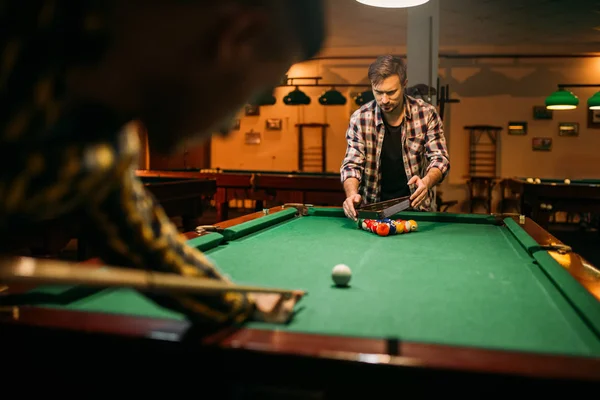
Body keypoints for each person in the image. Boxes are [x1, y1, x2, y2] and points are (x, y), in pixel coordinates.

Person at [0, 0, 326, 329]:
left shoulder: (104, 151)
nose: (230, 128)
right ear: (235, 37)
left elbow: (153, 253)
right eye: (253, 96)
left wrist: (238, 303)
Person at [340, 55, 450, 220]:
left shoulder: (426, 114)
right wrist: (352, 194)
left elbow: (440, 159)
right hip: (373, 212)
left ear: (404, 84)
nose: (384, 100)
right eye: (378, 92)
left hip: (417, 211)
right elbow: (351, 165)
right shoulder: (360, 118)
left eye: (391, 92)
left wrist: (426, 182)